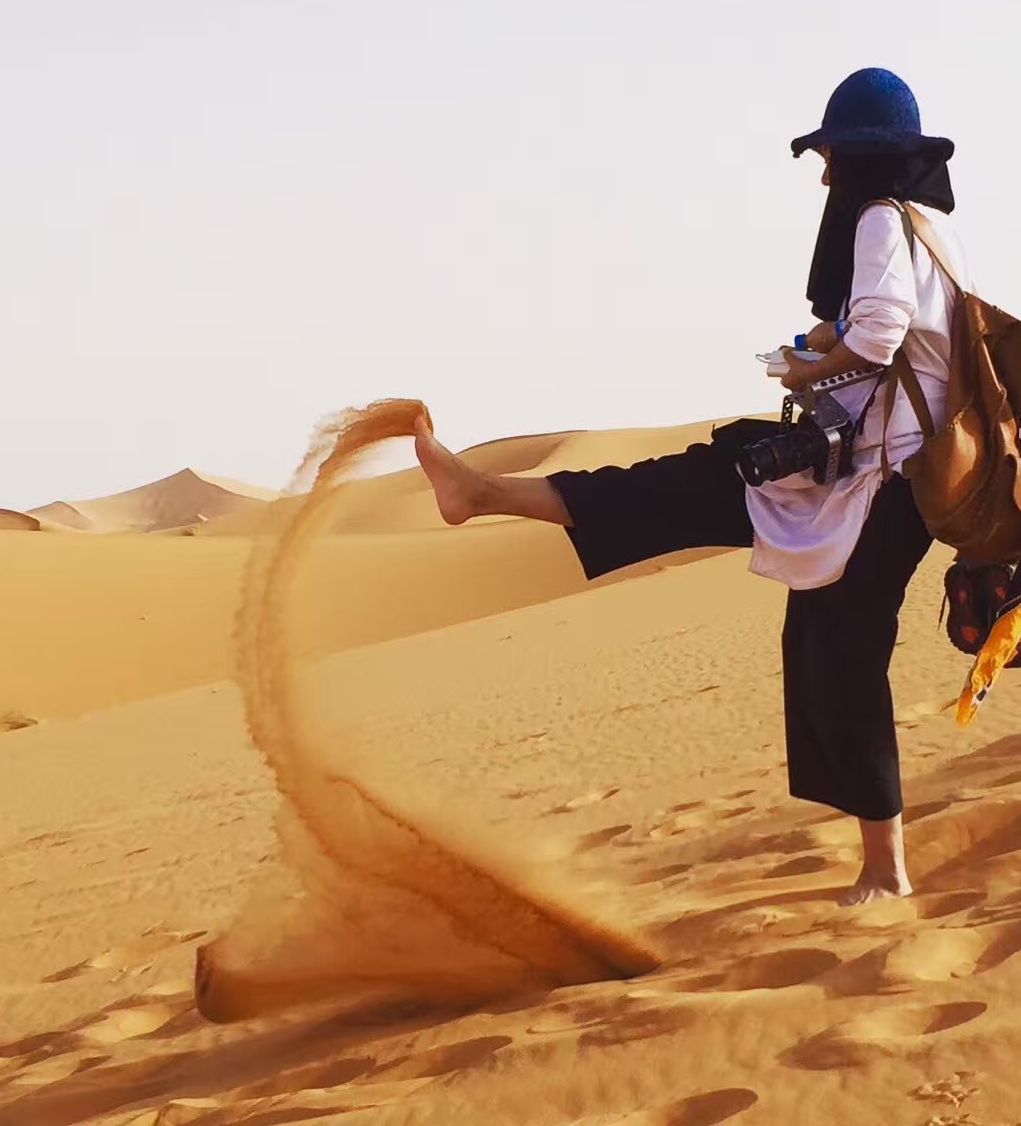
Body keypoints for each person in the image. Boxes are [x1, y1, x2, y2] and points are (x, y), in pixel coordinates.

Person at [413, 68, 967, 905]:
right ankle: (480, 494)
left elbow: (885, 333)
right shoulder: (926, 228)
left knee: (845, 655)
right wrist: (823, 340)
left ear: (862, 161)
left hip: (883, 484)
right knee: (697, 501)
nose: (823, 176)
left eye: (832, 159)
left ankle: (887, 877)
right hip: (859, 474)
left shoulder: (884, 221)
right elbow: (891, 324)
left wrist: (818, 362)